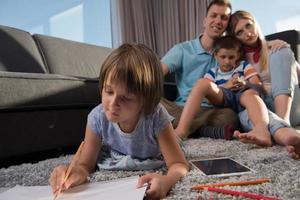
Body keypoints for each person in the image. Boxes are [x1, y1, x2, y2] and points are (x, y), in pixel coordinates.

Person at [49, 43, 189, 200]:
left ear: (146, 100)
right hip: (117, 153)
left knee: (177, 143)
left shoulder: (156, 116)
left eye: (126, 98)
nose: (112, 103)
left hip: (157, 147)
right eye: (108, 91)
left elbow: (179, 164)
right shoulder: (97, 117)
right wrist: (74, 173)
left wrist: (167, 181)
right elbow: (85, 165)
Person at [161, 0, 239, 140]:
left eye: (224, 18)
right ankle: (203, 130)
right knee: (151, 105)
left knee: (230, 117)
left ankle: (183, 127)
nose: (218, 21)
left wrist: (270, 43)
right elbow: (157, 72)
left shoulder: (230, 54)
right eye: (213, 15)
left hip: (211, 112)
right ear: (205, 20)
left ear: (227, 24)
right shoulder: (183, 49)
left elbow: (253, 44)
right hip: (180, 108)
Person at [175, 35, 272, 146]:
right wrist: (226, 86)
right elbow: (207, 97)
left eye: (231, 57)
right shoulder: (213, 72)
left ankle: (262, 131)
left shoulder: (244, 65)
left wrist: (245, 83)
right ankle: (181, 130)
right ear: (216, 56)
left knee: (250, 93)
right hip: (223, 97)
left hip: (242, 95)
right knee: (202, 83)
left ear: (238, 55)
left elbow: (257, 84)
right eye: (223, 57)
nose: (227, 61)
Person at [227, 10, 300, 127]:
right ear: (235, 38)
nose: (248, 33)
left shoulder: (276, 46)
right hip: (263, 110)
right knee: (243, 114)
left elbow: (297, 77)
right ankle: (276, 129)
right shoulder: (236, 61)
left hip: (289, 107)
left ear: (255, 23)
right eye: (240, 32)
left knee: (281, 50)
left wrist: (287, 55)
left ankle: (283, 123)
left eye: (248, 25)